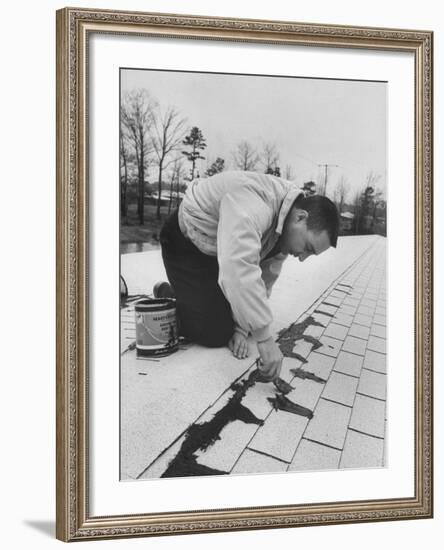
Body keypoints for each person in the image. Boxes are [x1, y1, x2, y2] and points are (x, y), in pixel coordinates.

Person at [156, 170, 339, 381]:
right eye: (308, 247)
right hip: (184, 245)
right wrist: (264, 340)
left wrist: (242, 330)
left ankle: (189, 296)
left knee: (244, 319)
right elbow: (237, 266)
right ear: (300, 217)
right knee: (214, 332)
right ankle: (168, 296)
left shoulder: (284, 227)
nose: (302, 258)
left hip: (216, 253)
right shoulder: (254, 204)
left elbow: (262, 282)